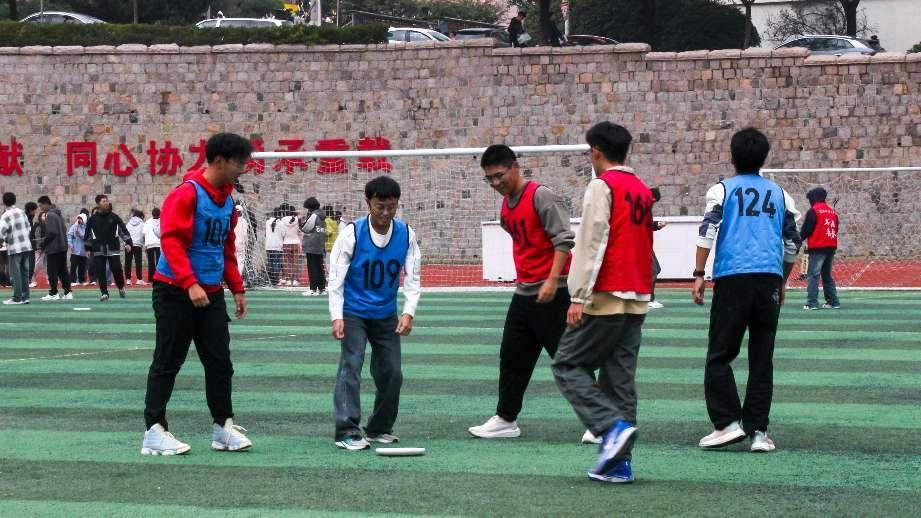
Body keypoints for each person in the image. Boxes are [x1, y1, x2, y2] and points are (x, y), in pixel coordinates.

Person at [551, 122, 654, 484]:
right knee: (620, 381)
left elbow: (592, 241)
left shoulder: (602, 185)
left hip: (607, 293)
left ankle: (611, 428)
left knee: (566, 364)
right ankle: (619, 464)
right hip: (637, 296)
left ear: (595, 151)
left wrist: (578, 295)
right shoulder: (641, 189)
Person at [142, 132, 252, 456]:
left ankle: (223, 427)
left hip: (211, 293)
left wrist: (237, 288)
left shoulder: (228, 201)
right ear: (219, 161)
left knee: (220, 362)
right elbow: (172, 241)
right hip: (175, 290)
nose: (243, 169)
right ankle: (154, 430)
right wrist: (190, 282)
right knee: (167, 361)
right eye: (239, 163)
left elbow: (225, 248)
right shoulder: (186, 194)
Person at [692, 127, 801, 453]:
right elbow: (793, 243)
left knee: (720, 354)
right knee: (762, 358)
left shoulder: (722, 190)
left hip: (733, 278)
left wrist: (698, 273)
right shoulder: (781, 194)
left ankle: (726, 423)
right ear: (764, 158)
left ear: (732, 157)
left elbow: (708, 229)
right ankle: (759, 433)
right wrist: (781, 281)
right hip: (768, 280)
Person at [468, 144, 575, 440]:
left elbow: (564, 241)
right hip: (525, 293)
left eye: (499, 175)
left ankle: (601, 422)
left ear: (515, 167)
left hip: (554, 292)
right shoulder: (506, 204)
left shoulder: (541, 196)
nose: (495, 183)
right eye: (489, 178)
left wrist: (552, 280)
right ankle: (506, 419)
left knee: (568, 361)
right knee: (512, 357)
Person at [329, 176, 421, 451]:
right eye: (380, 206)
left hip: (385, 315)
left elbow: (413, 278)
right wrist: (337, 316)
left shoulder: (407, 234)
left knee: (392, 372)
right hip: (354, 313)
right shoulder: (352, 233)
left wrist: (408, 312)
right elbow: (336, 278)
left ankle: (379, 427)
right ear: (368, 202)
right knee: (351, 366)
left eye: (392, 207)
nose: (385, 213)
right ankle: (347, 430)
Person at [84, 195, 132, 301]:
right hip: (98, 249)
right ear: (98, 204)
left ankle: (121, 287)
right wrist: (87, 248)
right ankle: (104, 293)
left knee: (116, 269)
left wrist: (128, 242)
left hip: (113, 247)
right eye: (104, 201)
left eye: (107, 201)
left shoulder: (114, 217)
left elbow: (123, 230)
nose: (106, 203)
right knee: (100, 271)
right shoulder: (92, 219)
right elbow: (88, 235)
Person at [800, 187, 840, 310]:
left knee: (813, 275)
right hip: (831, 246)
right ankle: (833, 302)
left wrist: (798, 240)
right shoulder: (832, 212)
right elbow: (836, 229)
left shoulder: (813, 211)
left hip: (818, 247)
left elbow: (806, 229)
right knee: (827, 275)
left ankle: (812, 303)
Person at [37, 195, 73, 301]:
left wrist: (43, 244)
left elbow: (52, 232)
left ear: (46, 203)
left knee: (52, 271)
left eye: (41, 206)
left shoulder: (50, 215)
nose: (41, 208)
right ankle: (68, 292)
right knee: (63, 271)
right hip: (62, 247)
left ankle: (53, 293)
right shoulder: (58, 214)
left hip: (54, 248)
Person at [0, 192, 33, 304]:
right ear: (14, 200)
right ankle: (25, 297)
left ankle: (17, 298)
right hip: (26, 246)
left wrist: (2, 241)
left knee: (16, 273)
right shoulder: (21, 212)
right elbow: (29, 228)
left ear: (4, 202)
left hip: (14, 247)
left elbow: (1, 232)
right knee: (24, 272)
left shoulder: (6, 215)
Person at [300, 197, 327, 296]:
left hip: (312, 244)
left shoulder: (314, 215)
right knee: (320, 267)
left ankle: (313, 289)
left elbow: (306, 228)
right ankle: (322, 288)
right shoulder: (322, 216)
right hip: (320, 244)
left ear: (310, 207)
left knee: (312, 267)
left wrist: (300, 223)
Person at [648, 187, 667, 309]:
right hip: (641, 245)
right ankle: (648, 299)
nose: (653, 204)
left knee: (656, 269)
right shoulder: (643, 207)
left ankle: (647, 298)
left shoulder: (646, 207)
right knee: (653, 270)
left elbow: (646, 225)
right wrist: (656, 225)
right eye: (653, 201)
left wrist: (656, 225)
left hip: (645, 245)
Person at [278, 205, 302, 286]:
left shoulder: (282, 221)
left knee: (286, 262)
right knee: (295, 262)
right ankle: (295, 280)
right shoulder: (297, 220)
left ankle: (288, 279)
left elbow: (282, 233)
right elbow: (299, 231)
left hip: (286, 242)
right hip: (296, 242)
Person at [124, 209, 146, 285]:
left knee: (128, 262)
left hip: (129, 244)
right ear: (141, 216)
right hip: (137, 244)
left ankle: (128, 280)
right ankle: (139, 279)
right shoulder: (142, 223)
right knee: (138, 262)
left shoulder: (128, 223)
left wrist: (126, 244)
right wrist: (143, 242)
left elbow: (125, 234)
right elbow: (144, 234)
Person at [264, 207, 284, 286]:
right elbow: (283, 234)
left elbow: (266, 234)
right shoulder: (281, 223)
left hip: (269, 245)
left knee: (270, 262)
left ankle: (271, 279)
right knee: (277, 263)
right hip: (277, 245)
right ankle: (275, 279)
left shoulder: (267, 222)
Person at [67, 213, 88, 286]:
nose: (79, 220)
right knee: (73, 266)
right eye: (78, 218)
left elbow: (86, 238)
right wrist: (70, 245)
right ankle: (73, 280)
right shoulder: (74, 227)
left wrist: (80, 235)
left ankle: (82, 280)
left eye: (81, 218)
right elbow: (69, 236)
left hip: (83, 250)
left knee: (82, 266)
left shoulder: (86, 228)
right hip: (75, 250)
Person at [143, 208, 162, 284]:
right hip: (158, 243)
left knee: (151, 262)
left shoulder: (147, 222)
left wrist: (145, 245)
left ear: (152, 214)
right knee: (159, 262)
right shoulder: (162, 221)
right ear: (159, 214)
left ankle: (151, 279)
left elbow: (144, 234)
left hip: (149, 243)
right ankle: (159, 278)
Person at [25, 201, 39, 288]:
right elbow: (30, 232)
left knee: (30, 262)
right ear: (30, 210)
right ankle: (28, 281)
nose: (35, 212)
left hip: (29, 243)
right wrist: (36, 225)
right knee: (31, 263)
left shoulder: (28, 218)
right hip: (28, 244)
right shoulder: (27, 219)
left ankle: (28, 280)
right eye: (34, 210)